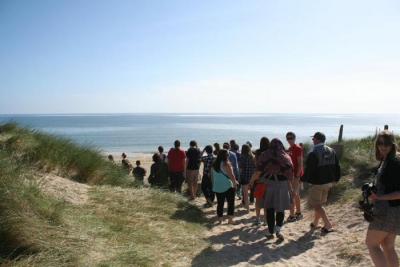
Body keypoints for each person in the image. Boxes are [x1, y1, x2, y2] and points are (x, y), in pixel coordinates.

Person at [366, 130, 400, 267]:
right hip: (394, 210)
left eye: (386, 143)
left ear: (392, 144)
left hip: (387, 211)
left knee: (371, 244)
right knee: (387, 245)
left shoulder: (394, 163)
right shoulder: (388, 160)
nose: (383, 146)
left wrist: (380, 197)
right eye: (380, 143)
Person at [251, 138, 293, 241]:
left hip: (268, 184)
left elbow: (258, 172)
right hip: (282, 185)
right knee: (280, 208)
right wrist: (290, 188)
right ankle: (278, 229)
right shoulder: (286, 156)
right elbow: (289, 174)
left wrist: (251, 181)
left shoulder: (265, 155)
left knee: (269, 208)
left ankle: (270, 232)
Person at [301, 132, 341, 234]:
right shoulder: (332, 151)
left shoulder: (313, 152)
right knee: (320, 203)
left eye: (314, 139)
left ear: (318, 140)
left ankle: (328, 224)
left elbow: (309, 169)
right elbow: (337, 166)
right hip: (329, 182)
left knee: (316, 205)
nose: (312, 140)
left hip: (318, 183)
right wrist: (336, 179)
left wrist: (303, 179)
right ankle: (315, 223)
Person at [212, 149, 238, 224]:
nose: (229, 155)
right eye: (228, 154)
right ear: (225, 156)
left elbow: (212, 176)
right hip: (228, 185)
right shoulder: (226, 164)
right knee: (230, 203)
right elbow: (232, 176)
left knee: (220, 203)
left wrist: (214, 185)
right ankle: (230, 220)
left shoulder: (214, 164)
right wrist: (235, 184)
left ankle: (220, 220)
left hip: (217, 186)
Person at [250, 137, 270, 225]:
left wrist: (251, 181)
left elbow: (256, 166)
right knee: (267, 201)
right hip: (270, 180)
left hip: (259, 180)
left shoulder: (258, 153)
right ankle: (266, 220)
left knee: (258, 200)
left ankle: (258, 219)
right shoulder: (270, 153)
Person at [285, 132, 304, 222]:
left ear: (294, 138)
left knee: (292, 194)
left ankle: (292, 215)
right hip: (291, 175)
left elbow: (300, 163)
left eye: (291, 138)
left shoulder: (298, 148)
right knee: (296, 194)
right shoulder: (289, 149)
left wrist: (297, 175)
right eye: (288, 138)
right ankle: (298, 213)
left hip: (295, 175)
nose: (289, 140)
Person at [239, 144, 256, 212]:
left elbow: (240, 168)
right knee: (253, 192)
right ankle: (253, 206)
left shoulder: (242, 157)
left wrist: (239, 177)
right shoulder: (253, 156)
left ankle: (247, 208)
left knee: (245, 194)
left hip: (244, 177)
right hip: (252, 177)